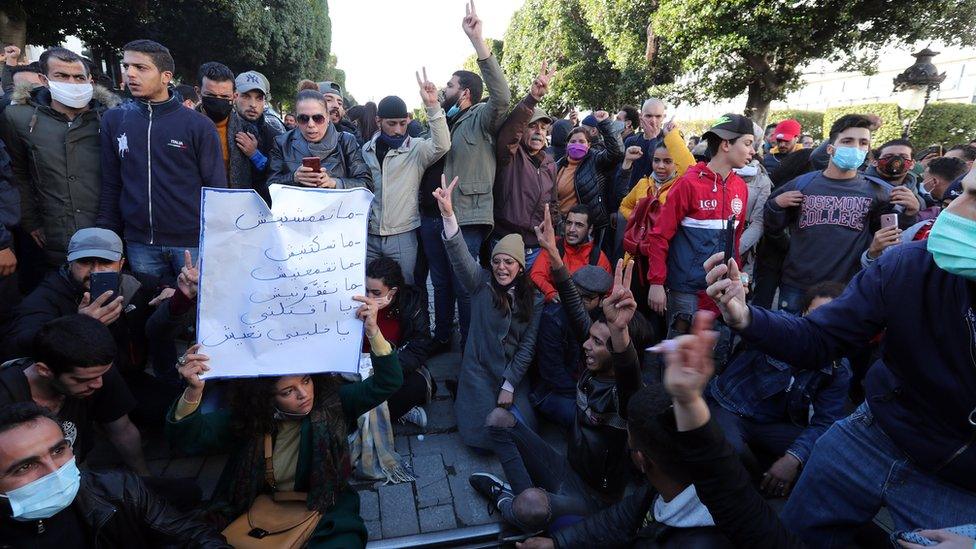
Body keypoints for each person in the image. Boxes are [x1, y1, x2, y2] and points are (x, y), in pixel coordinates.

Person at [702, 162, 976, 546]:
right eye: (962, 191)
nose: (951, 209)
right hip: (872, 434)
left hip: (960, 486)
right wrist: (745, 316)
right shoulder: (906, 267)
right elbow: (818, 339)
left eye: (975, 199)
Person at [167, 295, 401, 548]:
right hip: (255, 507)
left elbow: (387, 382)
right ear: (266, 398)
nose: (303, 394)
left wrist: (373, 332)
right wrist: (193, 392)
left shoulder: (334, 404)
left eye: (306, 380)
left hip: (324, 508)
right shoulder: (249, 419)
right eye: (287, 391)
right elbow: (188, 439)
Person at [470, 256, 647, 534]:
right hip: (566, 470)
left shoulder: (625, 398)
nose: (586, 345)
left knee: (530, 505)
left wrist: (620, 331)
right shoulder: (594, 367)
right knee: (497, 419)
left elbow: (630, 377)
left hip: (592, 499)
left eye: (597, 342)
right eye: (589, 337)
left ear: (617, 352)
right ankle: (526, 504)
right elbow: (577, 313)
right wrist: (553, 253)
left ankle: (509, 502)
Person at [0, 402, 229, 547]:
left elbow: (191, 534)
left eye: (58, 450)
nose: (54, 471)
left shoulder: (117, 489)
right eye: (25, 467)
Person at [416, 0, 511, 349]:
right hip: (434, 215)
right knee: (440, 282)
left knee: (465, 284)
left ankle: (470, 349)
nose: (445, 89)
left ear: (465, 93)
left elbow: (503, 95)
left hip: (467, 215)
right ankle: (443, 339)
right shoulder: (441, 120)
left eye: (450, 85)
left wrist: (478, 43)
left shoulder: (483, 117)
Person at [96, 39, 225, 280]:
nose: (130, 74)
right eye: (127, 66)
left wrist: (216, 242)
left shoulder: (199, 126)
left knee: (191, 310)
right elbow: (111, 184)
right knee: (149, 310)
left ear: (166, 76)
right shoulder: (114, 120)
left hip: (191, 243)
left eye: (141, 68)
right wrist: (107, 237)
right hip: (138, 243)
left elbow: (216, 190)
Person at [708, 281, 851, 497]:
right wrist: (739, 310)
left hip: (772, 425)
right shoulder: (781, 329)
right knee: (730, 450)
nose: (823, 325)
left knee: (829, 454)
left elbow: (826, 421)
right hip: (731, 408)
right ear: (803, 315)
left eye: (831, 319)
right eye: (816, 316)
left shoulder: (838, 365)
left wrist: (793, 458)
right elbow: (754, 324)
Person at [764, 114, 917, 314]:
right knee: (788, 339)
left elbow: (890, 241)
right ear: (830, 148)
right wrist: (776, 205)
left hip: (846, 286)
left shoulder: (878, 192)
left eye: (863, 143)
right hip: (797, 283)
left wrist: (910, 213)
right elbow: (772, 228)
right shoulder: (802, 184)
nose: (855, 148)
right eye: (847, 141)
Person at [433, 175, 542, 450]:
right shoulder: (480, 284)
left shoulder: (535, 299)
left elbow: (527, 347)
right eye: (496, 261)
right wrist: (449, 216)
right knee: (482, 439)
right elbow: (460, 256)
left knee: (523, 432)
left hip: (511, 373)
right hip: (479, 374)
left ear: (520, 267)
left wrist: (510, 383)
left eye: (508, 262)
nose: (501, 267)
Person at [2, 47, 121, 268]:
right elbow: (18, 174)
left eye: (78, 77)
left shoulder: (111, 116)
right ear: (43, 79)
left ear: (90, 80)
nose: (72, 83)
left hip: (108, 228)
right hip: (53, 234)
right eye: (62, 76)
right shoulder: (19, 118)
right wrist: (31, 222)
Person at [642, 114, 753, 335]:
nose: (752, 151)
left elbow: (736, 239)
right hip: (686, 291)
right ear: (726, 144)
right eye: (748, 143)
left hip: (722, 290)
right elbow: (659, 235)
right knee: (680, 355)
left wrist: (738, 277)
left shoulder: (740, 187)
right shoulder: (688, 184)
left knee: (713, 355)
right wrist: (656, 282)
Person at [0, 315, 148, 476]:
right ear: (44, 371)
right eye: (82, 380)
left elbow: (122, 430)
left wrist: (144, 478)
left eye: (102, 374)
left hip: (78, 468)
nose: (98, 384)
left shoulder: (96, 372)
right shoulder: (6, 397)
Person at [363, 71, 450, 285]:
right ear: (378, 121)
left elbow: (442, 145)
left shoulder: (416, 149)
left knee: (405, 291)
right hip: (369, 236)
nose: (398, 130)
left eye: (403, 123)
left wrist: (432, 106)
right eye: (391, 124)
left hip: (403, 235)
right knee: (370, 291)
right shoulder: (366, 150)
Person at [491, 61, 557, 270]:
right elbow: (511, 131)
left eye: (543, 128)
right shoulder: (510, 154)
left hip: (536, 247)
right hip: (506, 243)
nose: (539, 131)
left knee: (531, 300)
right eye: (533, 126)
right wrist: (533, 98)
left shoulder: (549, 162)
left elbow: (552, 203)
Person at [531, 263, 612, 427]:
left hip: (586, 386)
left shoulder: (603, 319)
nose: (580, 302)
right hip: (552, 391)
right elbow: (553, 374)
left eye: (587, 297)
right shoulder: (553, 319)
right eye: (576, 294)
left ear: (602, 299)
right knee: (589, 419)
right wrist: (584, 397)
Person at [363, 257, 434, 428]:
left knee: (417, 384)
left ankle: (388, 412)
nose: (369, 297)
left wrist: (386, 368)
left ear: (392, 292)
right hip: (359, 370)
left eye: (376, 293)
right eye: (367, 291)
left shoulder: (411, 303)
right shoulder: (356, 303)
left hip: (392, 368)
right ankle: (385, 414)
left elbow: (419, 346)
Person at [267, 88, 371, 190]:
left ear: (327, 117)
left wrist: (334, 183)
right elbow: (270, 185)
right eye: (303, 118)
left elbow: (366, 183)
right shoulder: (282, 142)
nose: (311, 124)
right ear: (297, 119)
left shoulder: (346, 141)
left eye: (318, 118)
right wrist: (294, 178)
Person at [554, 111, 624, 241]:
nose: (577, 144)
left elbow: (617, 153)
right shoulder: (558, 166)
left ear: (589, 145)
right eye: (573, 141)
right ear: (567, 144)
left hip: (590, 228)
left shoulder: (596, 159)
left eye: (581, 141)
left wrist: (605, 124)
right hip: (563, 226)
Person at [529, 204, 610, 302]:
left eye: (579, 225)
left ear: (590, 229)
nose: (571, 229)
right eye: (568, 223)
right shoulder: (553, 245)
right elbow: (537, 274)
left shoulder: (598, 257)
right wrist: (551, 293)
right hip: (555, 306)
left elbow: (608, 292)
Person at [616, 119, 694, 220]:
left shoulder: (681, 188)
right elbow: (624, 206)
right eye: (656, 160)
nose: (660, 166)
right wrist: (639, 221)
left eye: (667, 161)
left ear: (676, 163)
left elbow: (692, 171)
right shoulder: (642, 184)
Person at [232, 69, 283, 199]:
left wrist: (255, 155)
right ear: (234, 96)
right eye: (246, 96)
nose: (253, 104)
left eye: (259, 98)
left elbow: (280, 177)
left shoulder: (275, 136)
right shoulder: (220, 128)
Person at [864, 138, 925, 213]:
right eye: (888, 157)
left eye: (903, 157)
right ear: (875, 162)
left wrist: (912, 213)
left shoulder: (918, 198)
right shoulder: (859, 186)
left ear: (912, 164)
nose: (896, 161)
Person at [621, 98, 667, 190]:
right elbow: (622, 176)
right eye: (648, 116)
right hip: (630, 197)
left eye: (658, 116)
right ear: (641, 116)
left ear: (663, 117)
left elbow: (662, 171)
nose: (653, 121)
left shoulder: (669, 142)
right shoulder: (631, 141)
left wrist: (652, 139)